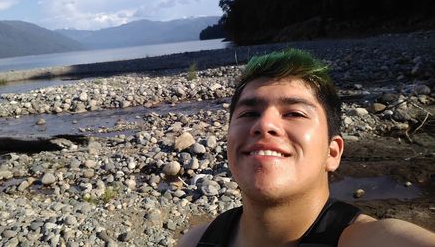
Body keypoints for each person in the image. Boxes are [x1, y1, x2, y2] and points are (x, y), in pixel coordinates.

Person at [178, 49, 435, 247]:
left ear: (332, 152)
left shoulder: (371, 239)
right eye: (249, 113)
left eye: (294, 113)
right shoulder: (196, 241)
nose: (265, 124)